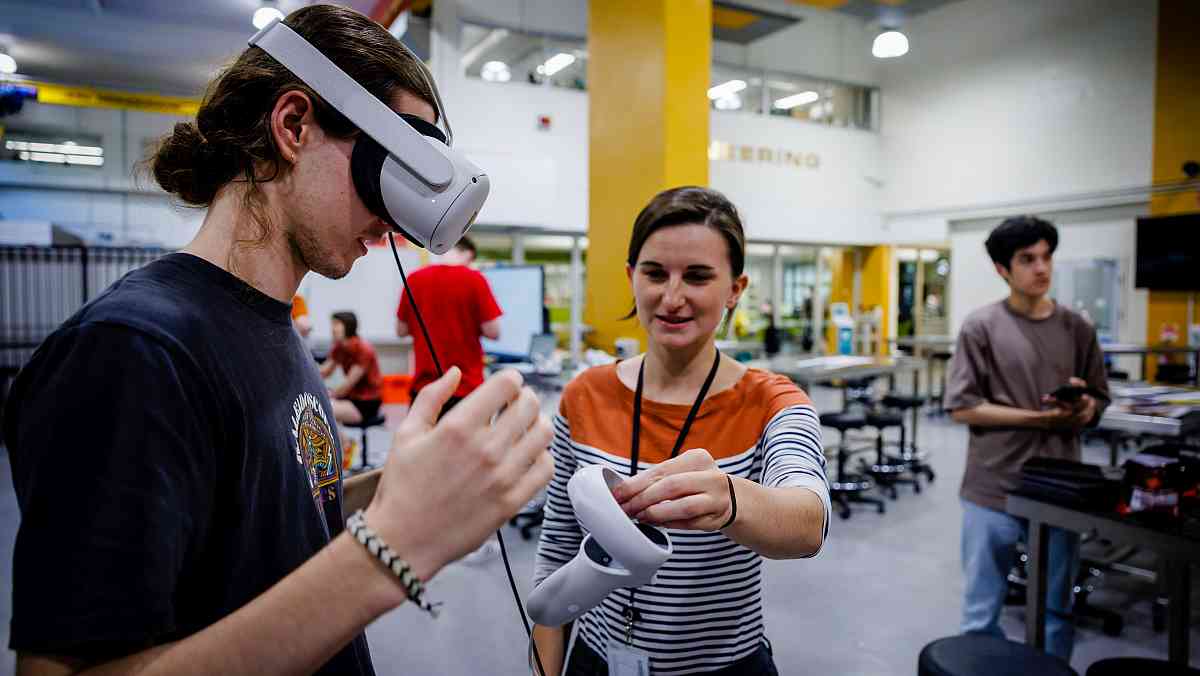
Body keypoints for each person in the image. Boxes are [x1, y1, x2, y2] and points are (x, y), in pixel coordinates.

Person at [2, 6, 553, 675]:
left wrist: (407, 488)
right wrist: (389, 550)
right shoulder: (134, 350)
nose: (395, 219)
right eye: (391, 169)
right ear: (292, 126)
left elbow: (263, 515)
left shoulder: (268, 325)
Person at [531, 186, 830, 676]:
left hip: (724, 667)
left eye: (697, 276)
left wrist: (731, 499)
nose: (672, 298)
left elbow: (808, 522)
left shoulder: (773, 402)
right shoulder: (584, 394)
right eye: (654, 274)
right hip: (596, 659)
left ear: (735, 288)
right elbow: (558, 547)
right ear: (631, 277)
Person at [945, 215, 1109, 661]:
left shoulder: (1078, 328)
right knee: (982, 612)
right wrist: (1039, 419)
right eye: (1027, 259)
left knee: (1058, 611)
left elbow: (1098, 398)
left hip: (1060, 487)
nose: (1041, 268)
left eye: (1046, 256)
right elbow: (961, 406)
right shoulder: (981, 327)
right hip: (992, 488)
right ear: (1003, 269)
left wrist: (1084, 406)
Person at [396, 236, 502, 416]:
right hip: (465, 388)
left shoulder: (414, 278)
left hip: (424, 389)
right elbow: (493, 331)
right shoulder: (475, 280)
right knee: (464, 444)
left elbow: (401, 330)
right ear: (468, 254)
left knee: (422, 443)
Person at [322, 311, 384, 425]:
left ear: (348, 326)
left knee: (323, 409)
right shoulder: (339, 347)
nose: (332, 329)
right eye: (332, 324)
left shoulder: (363, 349)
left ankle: (346, 442)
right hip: (351, 396)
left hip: (366, 402)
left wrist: (328, 394)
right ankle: (343, 442)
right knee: (319, 406)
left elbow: (347, 385)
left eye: (336, 324)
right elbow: (324, 372)